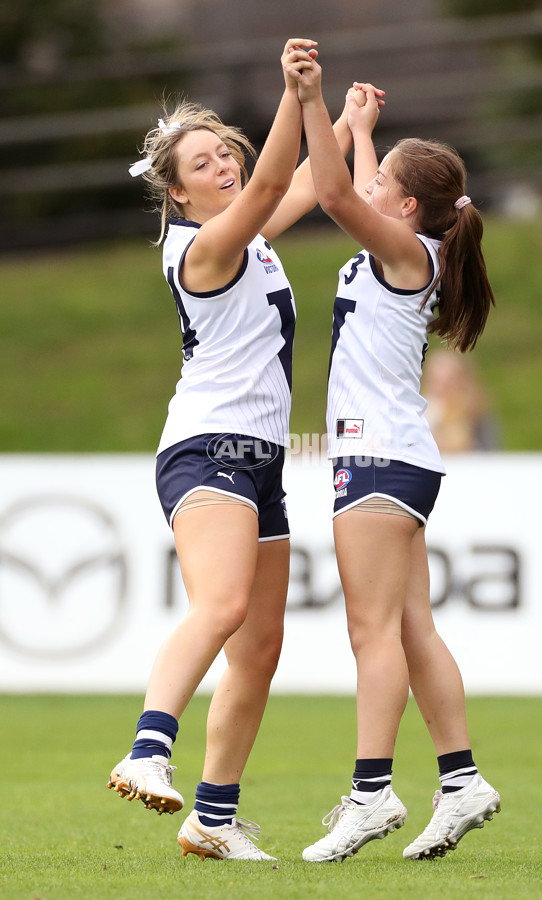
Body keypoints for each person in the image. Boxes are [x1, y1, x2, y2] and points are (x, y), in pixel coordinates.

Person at [107, 39, 383, 862]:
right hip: (203, 450)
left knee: (261, 648)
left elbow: (300, 184)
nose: (223, 166)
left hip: (259, 460)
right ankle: (148, 746)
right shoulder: (202, 248)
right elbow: (272, 183)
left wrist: (339, 119)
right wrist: (298, 95)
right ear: (176, 190)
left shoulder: (249, 235)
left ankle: (213, 819)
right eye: (204, 163)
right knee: (223, 606)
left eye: (224, 152)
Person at [287, 56, 501, 862]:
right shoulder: (414, 246)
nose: (373, 187)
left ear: (408, 208)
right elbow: (368, 188)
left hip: (375, 457)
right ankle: (461, 781)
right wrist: (366, 134)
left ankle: (372, 792)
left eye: (388, 186)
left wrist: (313, 106)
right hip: (396, 457)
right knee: (411, 628)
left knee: (371, 633)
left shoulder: (405, 250)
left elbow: (341, 195)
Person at [421, 349, 500, 452]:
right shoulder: (418, 416)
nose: (440, 390)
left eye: (448, 384)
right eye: (435, 382)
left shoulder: (478, 419)